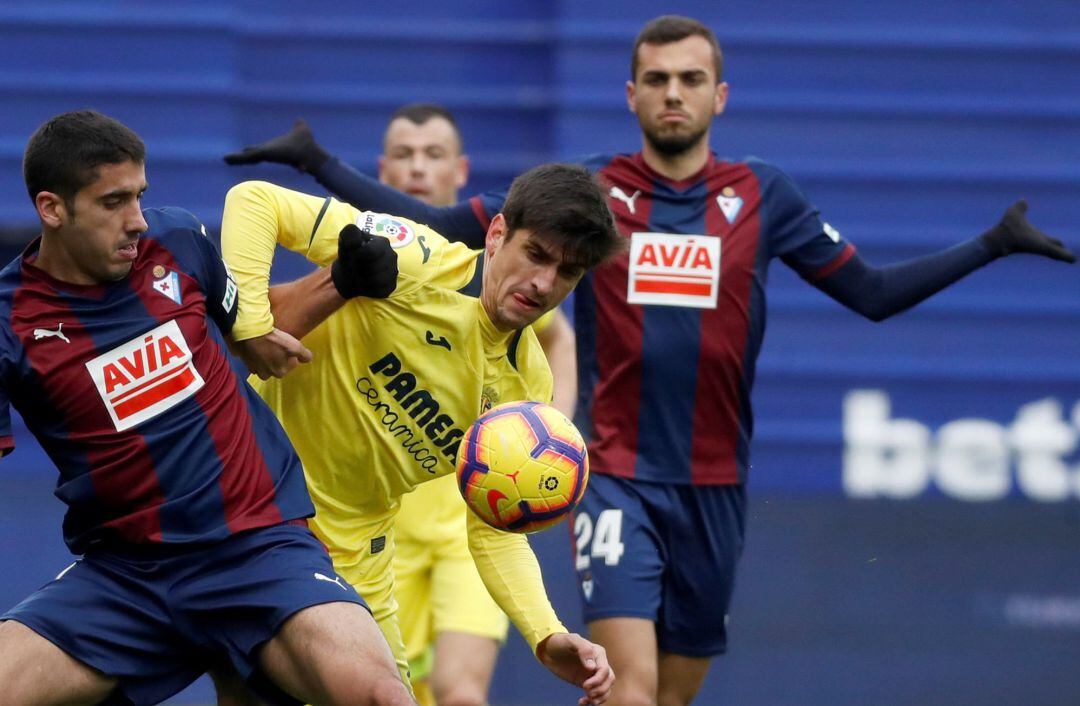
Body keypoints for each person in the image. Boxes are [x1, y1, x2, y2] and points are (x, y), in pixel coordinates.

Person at [223, 15, 1076, 706]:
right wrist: (319, 174)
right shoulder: (581, 192)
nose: (673, 93)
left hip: (712, 480)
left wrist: (991, 244)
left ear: (719, 95)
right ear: (630, 93)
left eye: (691, 78)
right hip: (613, 474)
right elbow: (422, 222)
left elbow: (874, 293)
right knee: (608, 691)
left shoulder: (760, 197)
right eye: (657, 78)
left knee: (664, 695)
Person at [0, 110, 415, 706]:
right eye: (113, 201)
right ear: (52, 208)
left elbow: (258, 339)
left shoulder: (177, 242)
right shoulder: (9, 321)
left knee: (382, 695)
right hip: (126, 577)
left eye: (139, 195)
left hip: (258, 552)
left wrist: (338, 281)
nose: (136, 219)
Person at [218, 163, 621, 705]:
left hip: (352, 549)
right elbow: (255, 200)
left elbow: (494, 528)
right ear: (496, 234)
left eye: (567, 272)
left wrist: (546, 633)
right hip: (250, 498)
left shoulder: (526, 389)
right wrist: (250, 329)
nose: (544, 283)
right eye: (536, 254)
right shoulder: (419, 258)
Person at [378, 102, 575, 706]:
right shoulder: (369, 261)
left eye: (433, 155)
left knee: (460, 690)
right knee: (387, 690)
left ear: (460, 171)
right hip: (381, 519)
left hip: (474, 507)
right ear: (382, 170)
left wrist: (551, 435)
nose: (418, 168)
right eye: (404, 155)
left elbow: (560, 339)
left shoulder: (493, 278)